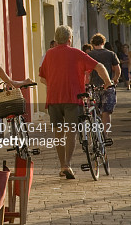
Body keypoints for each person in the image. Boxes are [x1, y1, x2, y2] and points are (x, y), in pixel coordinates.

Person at [39, 25, 111, 180]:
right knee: (71, 132)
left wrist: (55, 83)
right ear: (69, 39)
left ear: (57, 39)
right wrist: (107, 82)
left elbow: (42, 78)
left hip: (53, 99)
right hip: (73, 98)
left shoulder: (49, 54)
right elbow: (99, 66)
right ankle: (68, 164)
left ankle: (62, 165)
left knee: (58, 133)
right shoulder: (76, 53)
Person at [87, 34, 120, 129]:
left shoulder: (89, 55)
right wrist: (115, 79)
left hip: (94, 87)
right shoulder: (111, 54)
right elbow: (117, 69)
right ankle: (105, 134)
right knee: (107, 112)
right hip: (108, 86)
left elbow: (86, 71)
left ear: (92, 44)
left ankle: (98, 134)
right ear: (103, 42)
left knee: (95, 111)